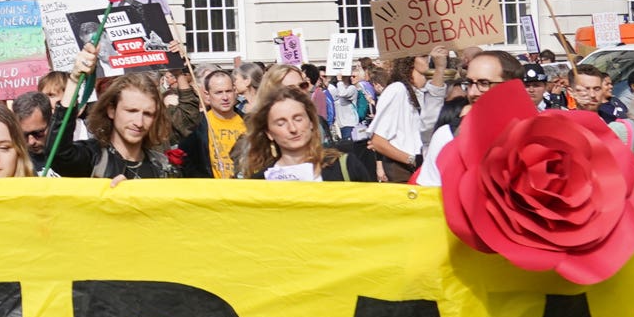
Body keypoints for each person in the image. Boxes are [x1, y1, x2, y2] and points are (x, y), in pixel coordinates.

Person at [54, 74, 201, 180]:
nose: (139, 122)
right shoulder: (93, 157)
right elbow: (57, 154)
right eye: (131, 111)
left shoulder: (163, 167)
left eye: (148, 114)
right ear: (111, 110)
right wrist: (74, 79)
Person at [236, 82, 385, 183]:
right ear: (268, 132)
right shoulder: (260, 182)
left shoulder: (346, 167)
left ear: (311, 122)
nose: (293, 128)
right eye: (281, 123)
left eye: (298, 119)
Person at [415, 50, 523, 185]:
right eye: (470, 83)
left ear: (511, 87)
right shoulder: (447, 136)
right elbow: (429, 197)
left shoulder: (534, 134)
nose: (472, 92)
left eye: (484, 83)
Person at [197, 66, 250, 179]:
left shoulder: (250, 123)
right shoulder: (198, 126)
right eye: (218, 92)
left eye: (228, 91)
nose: (225, 97)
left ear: (235, 91)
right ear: (207, 95)